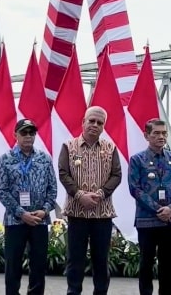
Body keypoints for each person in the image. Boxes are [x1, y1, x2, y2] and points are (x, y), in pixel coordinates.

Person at [58, 106, 122, 295]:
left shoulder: (111, 148)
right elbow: (63, 173)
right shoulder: (68, 146)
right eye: (91, 121)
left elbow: (116, 175)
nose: (95, 125)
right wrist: (80, 196)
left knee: (101, 260)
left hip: (102, 214)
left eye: (99, 123)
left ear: (103, 127)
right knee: (75, 260)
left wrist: (101, 194)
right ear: (83, 122)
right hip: (76, 213)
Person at [0, 118, 57, 295]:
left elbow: (52, 189)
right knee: (13, 264)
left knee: (38, 265)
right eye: (24, 132)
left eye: (32, 133)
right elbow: (3, 190)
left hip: (40, 220)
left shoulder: (44, 159)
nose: (28, 136)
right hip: (15, 221)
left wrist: (45, 209)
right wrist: (22, 213)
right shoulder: (5, 159)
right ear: (15, 135)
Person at [128, 118, 171, 295]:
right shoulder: (137, 159)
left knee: (167, 263)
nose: (161, 137)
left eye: (164, 133)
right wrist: (158, 209)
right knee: (146, 262)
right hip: (147, 220)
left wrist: (169, 209)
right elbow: (135, 189)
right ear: (147, 135)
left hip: (169, 219)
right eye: (156, 133)